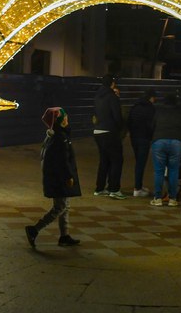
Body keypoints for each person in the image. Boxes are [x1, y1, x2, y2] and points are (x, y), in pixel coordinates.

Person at [25, 107, 82, 248]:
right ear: (59, 120)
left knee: (65, 206)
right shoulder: (59, 138)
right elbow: (62, 160)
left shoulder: (55, 135)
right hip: (60, 179)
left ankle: (64, 236)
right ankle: (34, 229)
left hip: (57, 177)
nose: (67, 119)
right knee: (60, 207)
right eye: (65, 117)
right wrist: (69, 176)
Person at [149, 92, 181, 207]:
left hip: (159, 141)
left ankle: (157, 198)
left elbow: (151, 126)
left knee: (159, 171)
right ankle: (173, 198)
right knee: (174, 170)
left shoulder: (158, 111)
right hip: (176, 142)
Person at [92, 74, 127, 199]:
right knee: (117, 160)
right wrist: (120, 128)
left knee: (104, 160)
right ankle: (114, 189)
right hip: (109, 131)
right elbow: (117, 116)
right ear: (112, 84)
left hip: (97, 131)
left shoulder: (97, 96)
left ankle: (99, 188)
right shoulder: (112, 97)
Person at [127, 88, 156, 197]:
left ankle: (138, 186)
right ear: (151, 97)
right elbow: (152, 125)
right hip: (144, 138)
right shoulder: (150, 109)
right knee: (141, 163)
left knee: (138, 162)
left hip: (134, 138)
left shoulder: (135, 107)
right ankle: (137, 188)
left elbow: (129, 121)